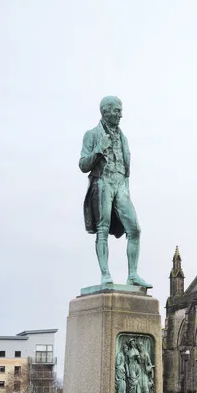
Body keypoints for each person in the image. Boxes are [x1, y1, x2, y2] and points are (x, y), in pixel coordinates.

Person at [79, 96, 150, 288]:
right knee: (103, 228)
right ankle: (105, 274)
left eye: (120, 110)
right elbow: (83, 165)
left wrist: (126, 189)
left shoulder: (123, 138)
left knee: (134, 229)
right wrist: (98, 151)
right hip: (103, 182)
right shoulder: (92, 135)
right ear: (105, 112)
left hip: (120, 184)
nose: (121, 114)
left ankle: (133, 274)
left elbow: (126, 167)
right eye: (117, 110)